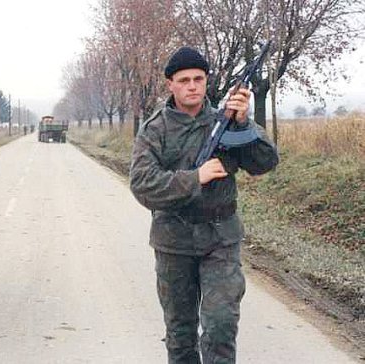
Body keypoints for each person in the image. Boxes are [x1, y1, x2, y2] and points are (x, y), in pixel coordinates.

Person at [129, 47, 279, 364]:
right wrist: (195, 177)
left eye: (199, 78)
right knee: (181, 335)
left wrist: (243, 124)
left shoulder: (225, 122)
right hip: (173, 241)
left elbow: (264, 163)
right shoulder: (155, 130)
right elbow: (143, 184)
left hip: (220, 239)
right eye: (184, 80)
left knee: (221, 327)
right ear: (170, 84)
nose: (193, 86)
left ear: (206, 81)